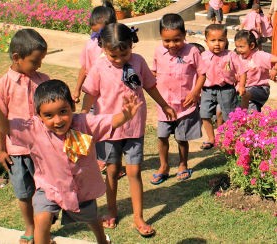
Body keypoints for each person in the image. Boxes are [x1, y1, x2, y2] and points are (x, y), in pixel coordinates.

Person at [0, 79, 143, 244]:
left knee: (92, 219)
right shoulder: (34, 129)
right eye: (48, 115)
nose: (58, 120)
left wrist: (125, 115)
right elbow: (7, 128)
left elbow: (107, 122)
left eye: (63, 111)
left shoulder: (84, 124)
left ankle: (101, 239)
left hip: (81, 190)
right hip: (49, 188)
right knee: (41, 221)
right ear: (38, 115)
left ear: (72, 107)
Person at [81, 23, 176, 237]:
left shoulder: (138, 61)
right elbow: (90, 94)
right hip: (109, 128)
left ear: (131, 45)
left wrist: (164, 105)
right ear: (103, 48)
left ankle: (138, 217)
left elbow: (150, 86)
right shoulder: (98, 67)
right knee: (112, 171)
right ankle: (111, 211)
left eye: (124, 53)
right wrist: (84, 115)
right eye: (113, 55)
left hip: (134, 128)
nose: (119, 59)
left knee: (134, 172)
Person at [0, 28, 50, 244]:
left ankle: (43, 228)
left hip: (42, 149)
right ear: (17, 58)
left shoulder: (43, 80)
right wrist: (0, 150)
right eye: (35, 61)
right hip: (17, 152)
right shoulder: (3, 85)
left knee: (43, 191)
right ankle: (30, 227)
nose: (39, 66)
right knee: (24, 193)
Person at [150, 14, 206, 184]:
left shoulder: (193, 51)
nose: (172, 44)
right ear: (161, 36)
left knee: (181, 138)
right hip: (164, 105)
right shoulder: (159, 52)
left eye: (177, 39)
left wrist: (195, 92)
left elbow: (202, 73)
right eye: (167, 40)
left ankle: (183, 164)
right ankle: (164, 166)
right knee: (162, 137)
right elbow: (153, 72)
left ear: (184, 35)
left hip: (185, 105)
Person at [72, 1, 123, 176]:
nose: (98, 36)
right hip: (93, 95)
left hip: (113, 96)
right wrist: (77, 89)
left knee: (112, 127)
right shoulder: (90, 45)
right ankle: (94, 160)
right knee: (89, 124)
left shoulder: (119, 43)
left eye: (101, 32)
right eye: (95, 32)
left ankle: (113, 162)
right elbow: (85, 68)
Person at [200, 24, 247, 149]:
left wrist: (241, 85)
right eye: (213, 40)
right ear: (206, 41)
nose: (217, 44)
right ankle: (211, 138)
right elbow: (197, 74)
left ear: (226, 40)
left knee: (229, 115)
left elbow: (242, 71)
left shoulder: (231, 55)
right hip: (207, 90)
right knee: (204, 114)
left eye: (220, 40)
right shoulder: (203, 56)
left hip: (227, 90)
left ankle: (227, 137)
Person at [234, 30, 277, 111]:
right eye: (237, 47)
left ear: (252, 45)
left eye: (241, 47)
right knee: (251, 108)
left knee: (246, 96)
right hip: (242, 90)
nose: (239, 50)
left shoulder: (259, 55)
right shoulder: (238, 58)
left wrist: (274, 69)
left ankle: (243, 116)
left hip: (260, 88)